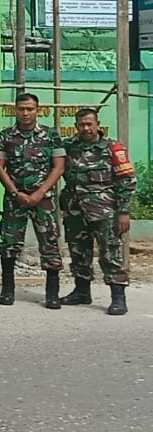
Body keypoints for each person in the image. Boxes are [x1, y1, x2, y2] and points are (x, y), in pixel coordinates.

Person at [60, 108, 136, 316]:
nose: (85, 128)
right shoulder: (69, 147)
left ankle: (118, 297)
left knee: (109, 253)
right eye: (81, 124)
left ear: (97, 124)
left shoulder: (112, 148)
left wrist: (124, 212)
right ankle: (82, 291)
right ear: (76, 125)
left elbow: (126, 181)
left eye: (89, 124)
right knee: (78, 252)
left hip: (104, 211)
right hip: (75, 210)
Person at [0, 93, 66, 308]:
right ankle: (8, 291)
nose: (25, 113)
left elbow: (59, 167)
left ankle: (52, 294)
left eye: (30, 109)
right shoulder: (6, 136)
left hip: (44, 199)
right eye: (21, 109)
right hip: (15, 198)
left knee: (50, 244)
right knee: (9, 244)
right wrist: (16, 193)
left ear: (38, 110)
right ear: (15, 110)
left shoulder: (50, 135)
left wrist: (40, 192)